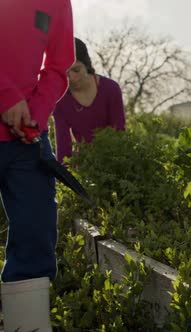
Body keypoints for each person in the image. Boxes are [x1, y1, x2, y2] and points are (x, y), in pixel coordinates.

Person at [0, 1, 74, 331]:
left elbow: (59, 66)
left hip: (26, 138)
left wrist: (37, 112)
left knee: (35, 235)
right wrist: (5, 96)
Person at [53, 37, 126, 163]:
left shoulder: (110, 89)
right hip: (84, 164)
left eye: (76, 70)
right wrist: (65, 177)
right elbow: (63, 147)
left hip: (113, 161)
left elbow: (119, 133)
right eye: (65, 72)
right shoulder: (60, 99)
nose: (71, 77)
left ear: (87, 65)